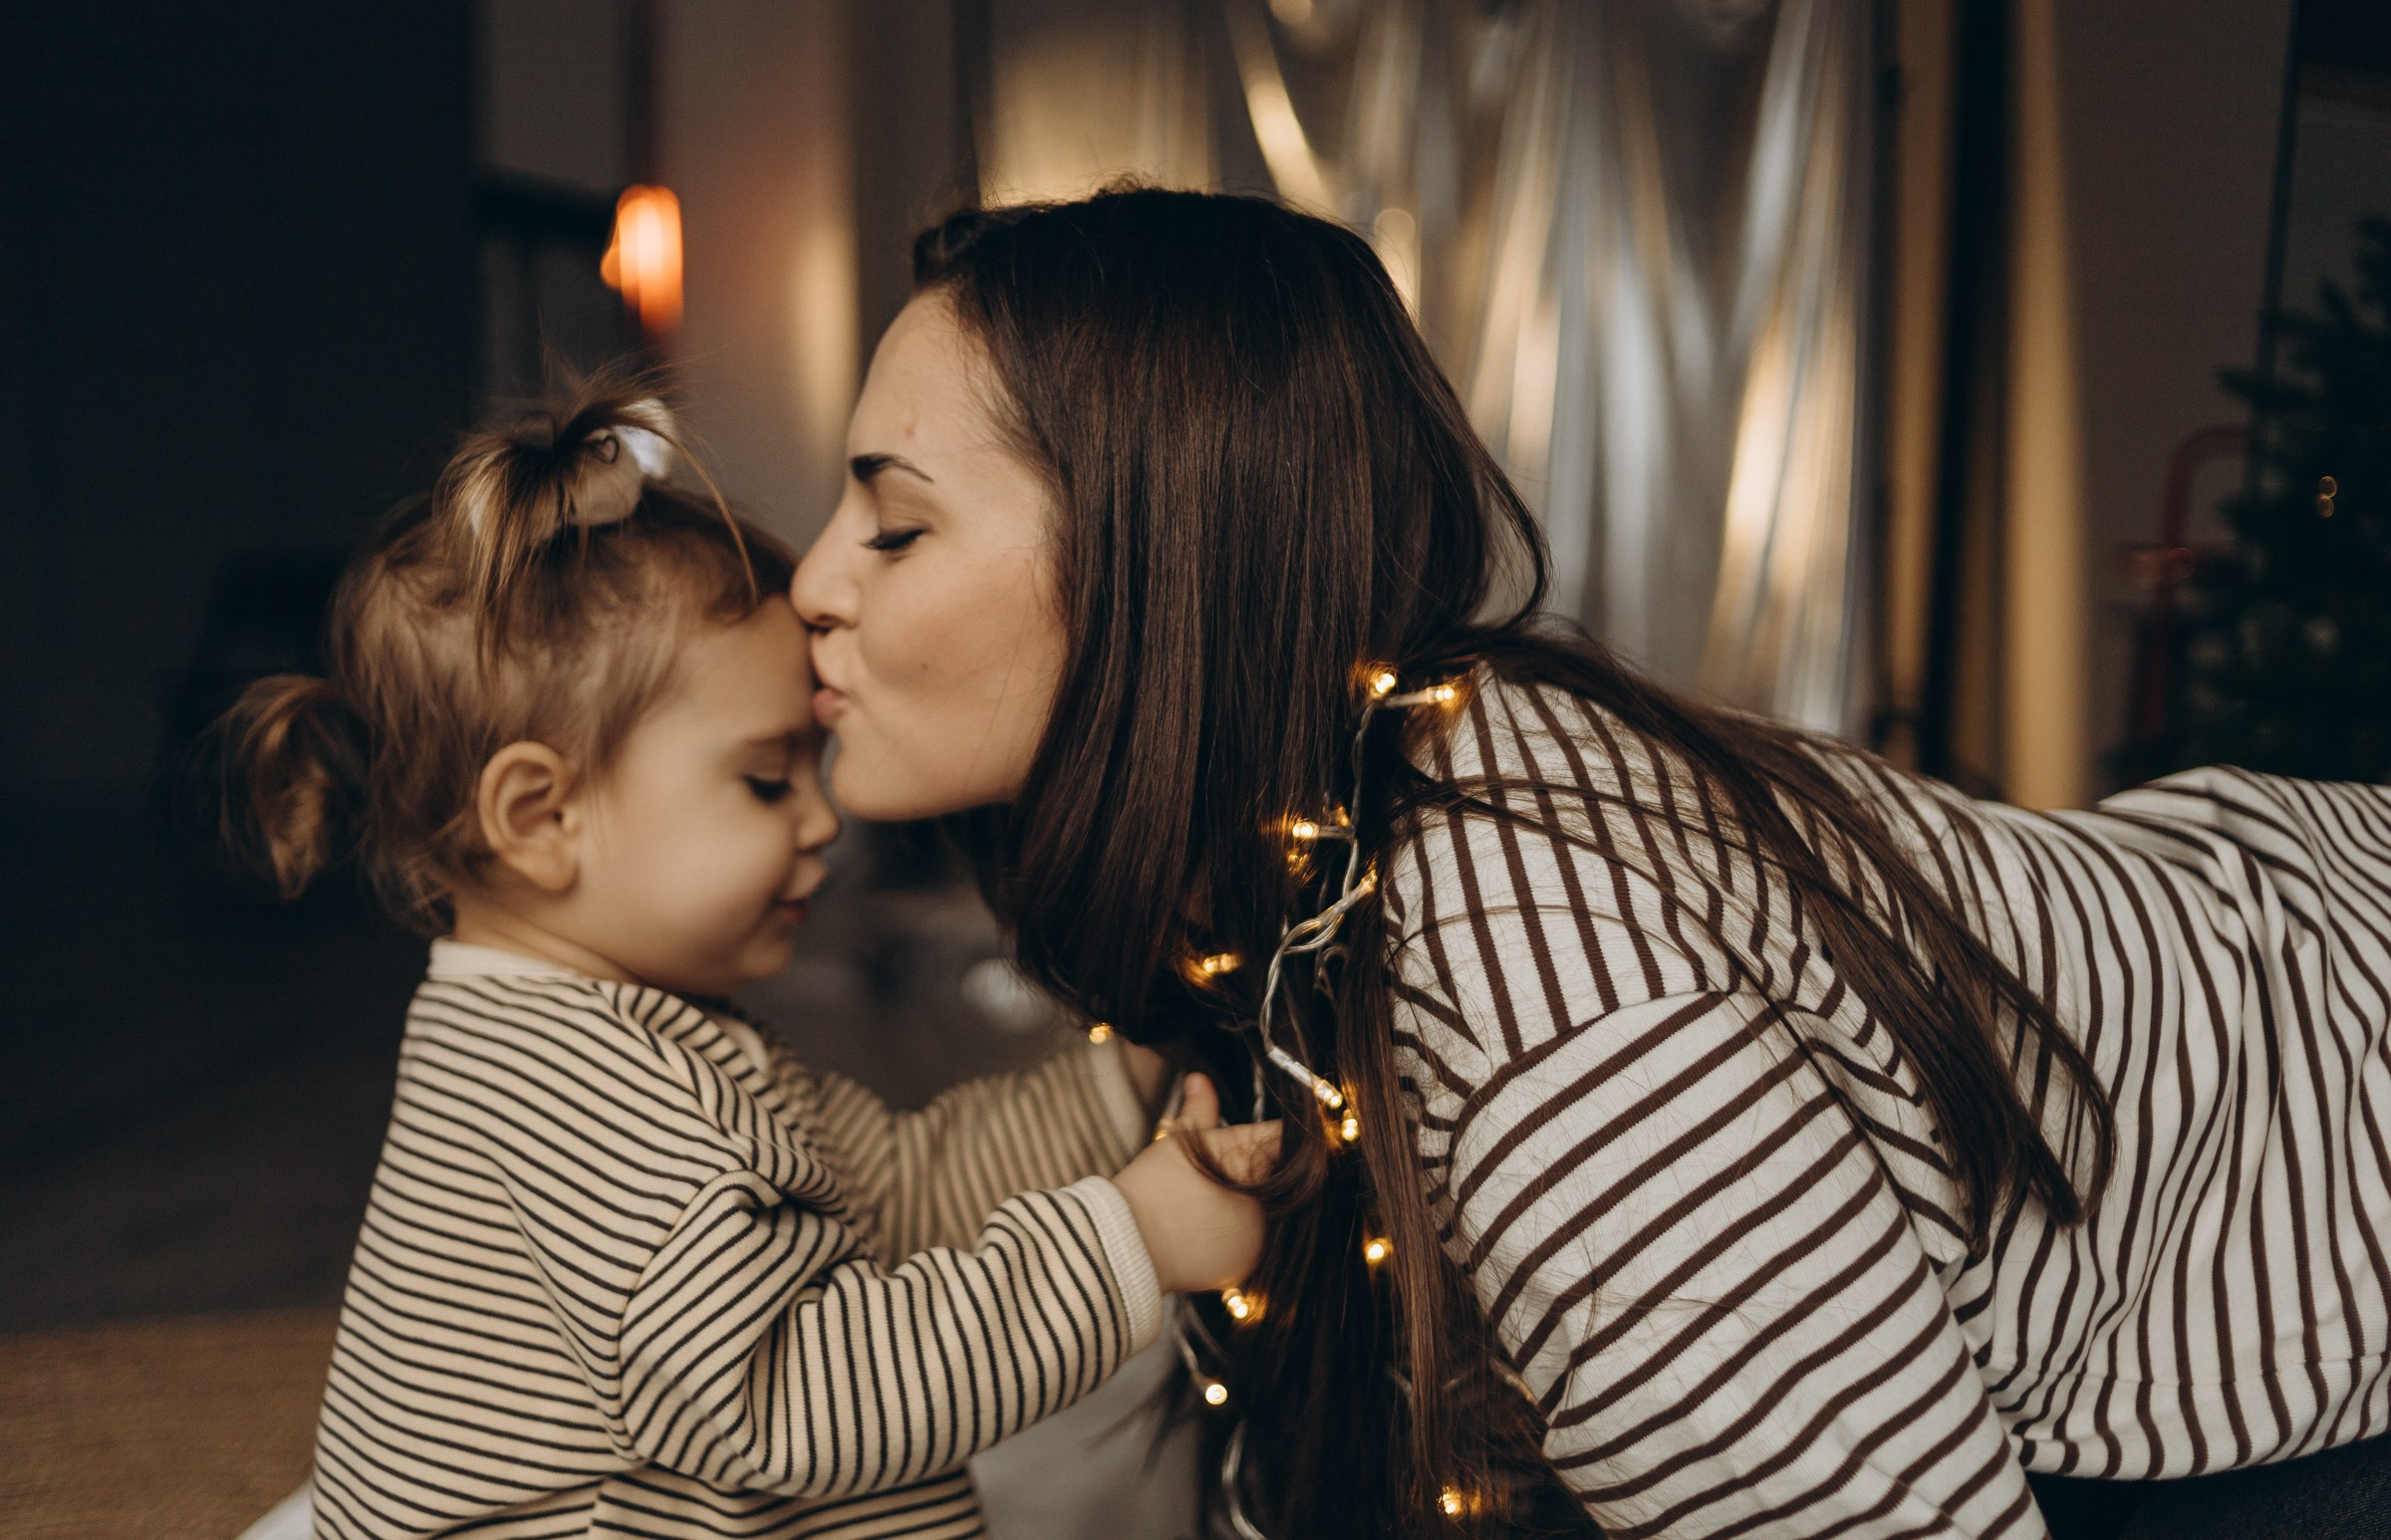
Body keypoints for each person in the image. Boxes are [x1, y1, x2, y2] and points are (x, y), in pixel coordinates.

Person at [789, 186, 2391, 1540]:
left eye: (897, 526)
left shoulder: (1537, 1000)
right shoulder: (1298, 862)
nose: (808, 582)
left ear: (1163, 553)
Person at [212, 378, 1278, 1540]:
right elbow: (793, 1396)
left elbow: (900, 1187)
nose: (821, 819)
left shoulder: (621, 1031)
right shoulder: (589, 1098)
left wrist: (1124, 1077)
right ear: (540, 815)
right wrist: (1130, 1244)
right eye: (766, 778)